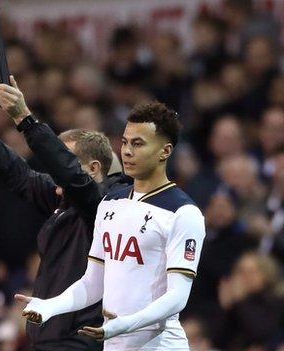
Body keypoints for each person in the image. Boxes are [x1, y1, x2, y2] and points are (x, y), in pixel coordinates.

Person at [0, 76, 130, 350]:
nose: (55, 172)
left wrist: (25, 119)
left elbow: (70, 176)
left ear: (93, 169)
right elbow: (15, 171)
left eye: (64, 160)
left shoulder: (102, 207)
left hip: (78, 341)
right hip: (48, 338)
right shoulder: (60, 198)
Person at [16, 102, 206, 350]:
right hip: (113, 340)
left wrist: (125, 324)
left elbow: (177, 297)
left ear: (165, 151)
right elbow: (92, 282)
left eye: (138, 144)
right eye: (125, 142)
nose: (127, 151)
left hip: (160, 344)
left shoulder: (182, 212)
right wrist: (51, 305)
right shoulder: (110, 203)